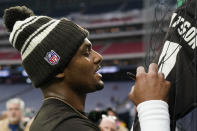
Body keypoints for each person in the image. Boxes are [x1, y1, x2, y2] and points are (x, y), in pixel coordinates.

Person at [3, 6, 171, 131]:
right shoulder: (68, 127)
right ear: (58, 68)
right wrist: (152, 107)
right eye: (86, 52)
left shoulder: (57, 120)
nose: (98, 57)